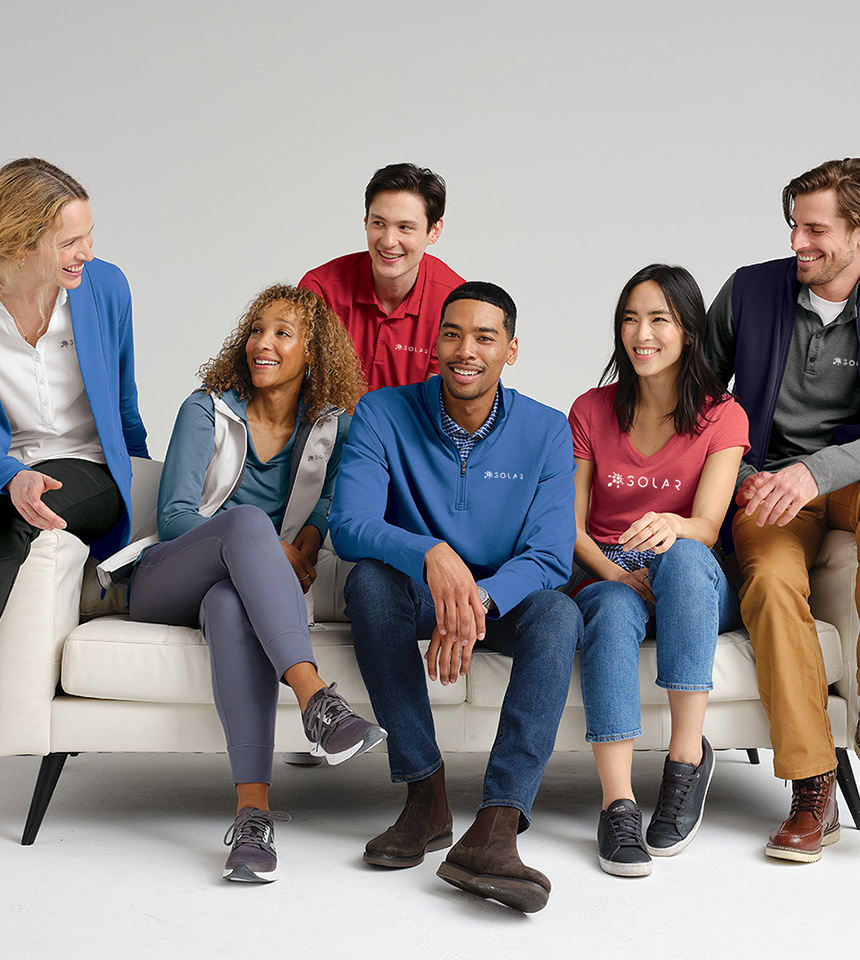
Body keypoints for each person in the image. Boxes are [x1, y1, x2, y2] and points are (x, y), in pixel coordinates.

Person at [100, 284, 386, 883]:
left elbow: (334, 501)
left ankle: (251, 821)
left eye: (283, 333)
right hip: (165, 579)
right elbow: (177, 516)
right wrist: (272, 544)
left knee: (232, 607)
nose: (263, 343)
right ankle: (315, 698)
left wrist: (307, 541)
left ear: (314, 351)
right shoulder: (206, 410)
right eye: (258, 329)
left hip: (240, 591)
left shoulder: (334, 426)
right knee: (249, 523)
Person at [329, 281, 581, 913]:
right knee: (369, 581)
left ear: (511, 350)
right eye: (452, 334)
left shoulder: (548, 430)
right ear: (434, 344)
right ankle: (425, 795)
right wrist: (431, 554)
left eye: (485, 337)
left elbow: (550, 555)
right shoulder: (382, 413)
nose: (466, 350)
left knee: (560, 612)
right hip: (419, 590)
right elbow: (349, 524)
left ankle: (495, 826)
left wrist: (479, 600)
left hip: (504, 600)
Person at [568, 265, 748, 877]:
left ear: (689, 332)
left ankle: (684, 763)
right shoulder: (591, 410)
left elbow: (707, 522)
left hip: (689, 576)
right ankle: (618, 804)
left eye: (659, 319)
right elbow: (571, 531)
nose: (640, 333)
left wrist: (673, 529)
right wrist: (614, 576)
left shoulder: (723, 415)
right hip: (608, 567)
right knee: (612, 609)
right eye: (629, 319)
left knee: (689, 557)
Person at [706, 158, 860, 863]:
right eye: (793, 225)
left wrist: (816, 472)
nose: (798, 241)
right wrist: (736, 474)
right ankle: (812, 786)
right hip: (768, 486)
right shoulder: (751, 290)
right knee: (766, 583)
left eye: (816, 228)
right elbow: (694, 402)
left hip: (851, 479)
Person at [0, 157, 148, 617]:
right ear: (20, 244)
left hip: (87, 466)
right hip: (8, 466)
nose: (87, 251)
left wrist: (143, 493)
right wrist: (9, 475)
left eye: (88, 234)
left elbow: (124, 402)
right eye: (69, 242)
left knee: (12, 519)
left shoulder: (106, 286)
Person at [299, 162, 464, 390]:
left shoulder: (455, 302)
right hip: (331, 425)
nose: (388, 241)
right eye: (379, 223)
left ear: (434, 231)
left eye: (405, 227)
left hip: (413, 425)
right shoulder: (321, 289)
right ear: (365, 222)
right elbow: (303, 387)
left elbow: (439, 402)